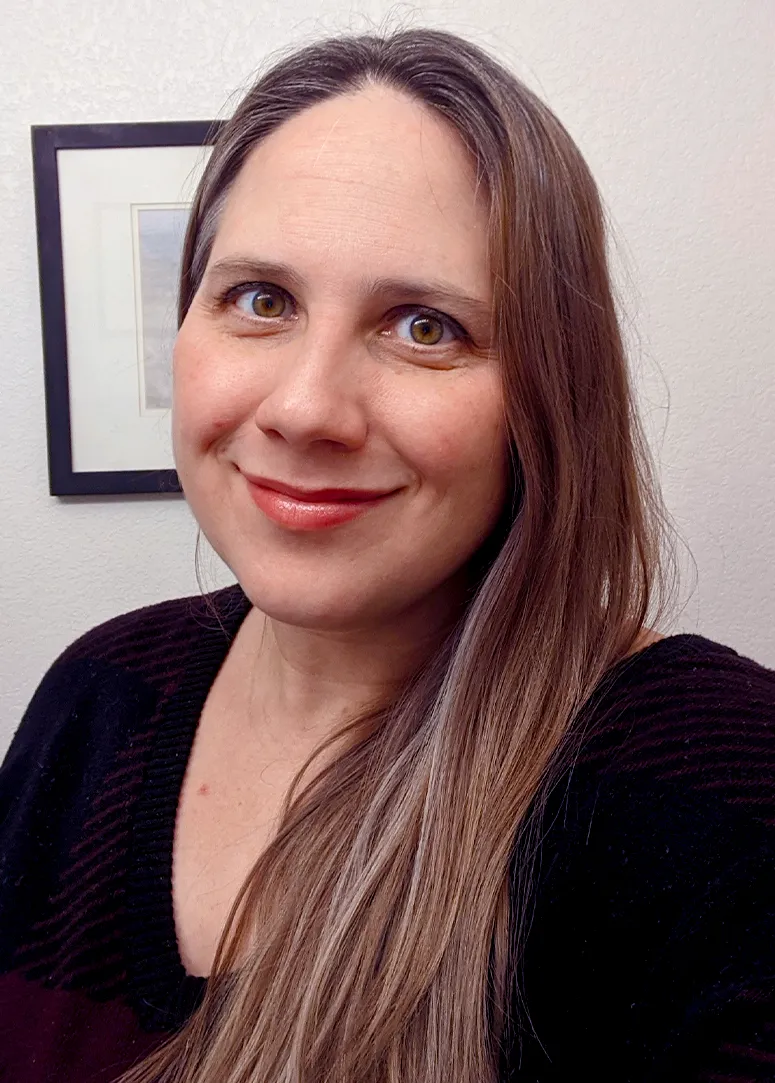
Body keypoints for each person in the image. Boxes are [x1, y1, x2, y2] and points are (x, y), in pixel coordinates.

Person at [1, 26, 774, 1083]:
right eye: (260, 301)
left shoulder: (716, 783)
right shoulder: (98, 696)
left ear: (549, 396)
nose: (307, 408)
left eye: (423, 326)